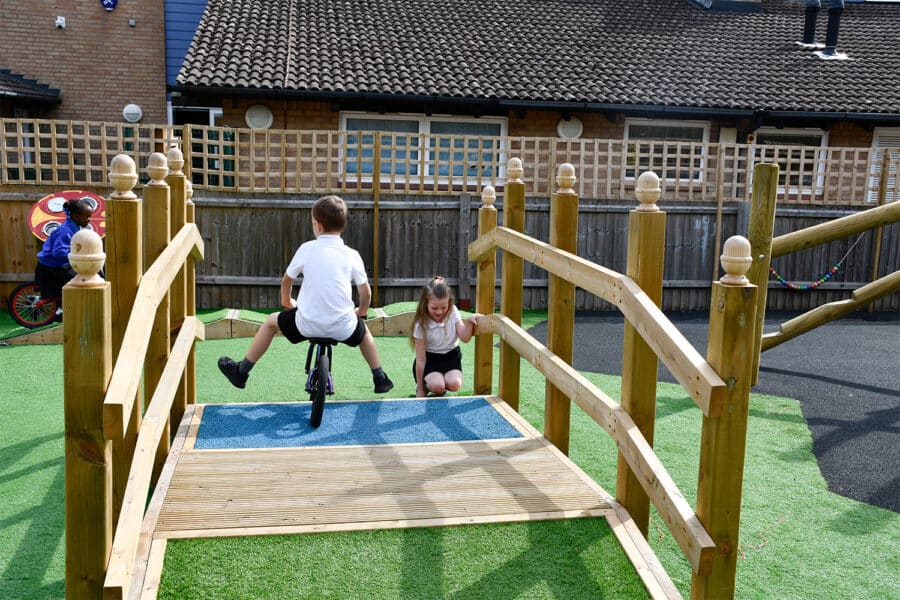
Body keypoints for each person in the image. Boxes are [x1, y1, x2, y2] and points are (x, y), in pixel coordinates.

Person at [218, 195, 393, 394]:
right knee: (364, 333)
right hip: (343, 327)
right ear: (343, 225)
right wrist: (361, 313)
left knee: (270, 322)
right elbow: (365, 293)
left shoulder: (307, 249)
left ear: (317, 225)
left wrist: (287, 303)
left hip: (306, 324)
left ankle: (242, 371)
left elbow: (287, 281)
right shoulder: (352, 254)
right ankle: (379, 378)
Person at [409, 276, 480, 397]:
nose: (439, 312)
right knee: (437, 386)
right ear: (425, 304)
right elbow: (420, 359)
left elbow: (465, 338)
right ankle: (427, 385)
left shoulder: (453, 311)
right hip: (430, 360)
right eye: (434, 308)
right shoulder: (421, 324)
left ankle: (441, 383)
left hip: (451, 357)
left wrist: (469, 322)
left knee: (455, 384)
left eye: (444, 307)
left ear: (449, 303)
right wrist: (420, 389)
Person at [34, 197, 96, 319]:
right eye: (87, 217)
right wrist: (78, 252)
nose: (89, 220)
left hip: (58, 264)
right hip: (51, 266)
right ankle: (63, 309)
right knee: (79, 279)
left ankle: (65, 306)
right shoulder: (65, 231)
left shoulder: (73, 226)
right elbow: (58, 253)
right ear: (76, 216)